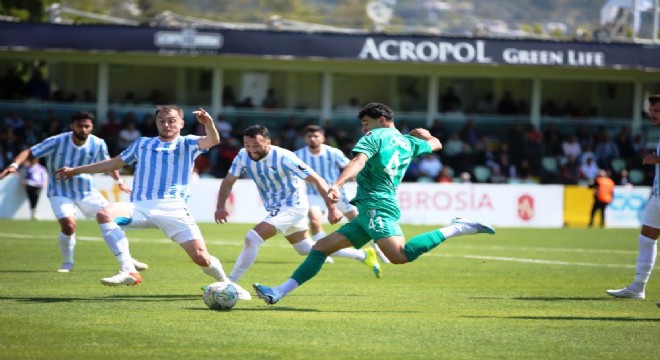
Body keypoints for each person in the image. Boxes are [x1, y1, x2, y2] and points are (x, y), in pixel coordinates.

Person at [253, 102, 495, 305]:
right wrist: (427, 135)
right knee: (320, 248)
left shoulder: (375, 136)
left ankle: (459, 227)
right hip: (373, 206)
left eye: (365, 123)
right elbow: (436, 144)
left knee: (399, 256)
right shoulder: (406, 142)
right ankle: (278, 292)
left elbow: (358, 161)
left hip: (376, 204)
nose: (363, 128)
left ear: (380, 119)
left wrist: (337, 184)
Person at [54, 106, 249, 298]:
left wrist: (209, 123)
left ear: (181, 123)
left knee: (201, 257)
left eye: (171, 120)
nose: (166, 124)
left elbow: (213, 140)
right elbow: (114, 164)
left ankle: (227, 283)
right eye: (162, 121)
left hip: (173, 208)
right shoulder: (142, 143)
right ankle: (128, 270)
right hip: (139, 207)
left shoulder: (187, 143)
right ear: (156, 123)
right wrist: (76, 170)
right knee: (104, 214)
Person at [215, 125, 382, 290]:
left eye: (256, 146)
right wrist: (220, 206)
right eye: (247, 145)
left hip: (293, 206)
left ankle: (230, 283)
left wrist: (332, 208)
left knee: (252, 238)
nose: (252, 150)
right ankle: (363, 254)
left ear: (268, 142)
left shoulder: (284, 157)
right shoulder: (243, 155)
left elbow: (318, 180)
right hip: (276, 208)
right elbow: (228, 181)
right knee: (305, 248)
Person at [0, 111, 145, 273]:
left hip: (87, 191)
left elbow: (108, 163)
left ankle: (127, 259)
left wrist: (118, 181)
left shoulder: (98, 143)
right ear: (72, 126)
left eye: (87, 126)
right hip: (60, 191)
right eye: (80, 125)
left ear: (91, 127)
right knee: (69, 225)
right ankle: (67, 262)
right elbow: (29, 152)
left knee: (112, 220)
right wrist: (13, 165)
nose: (83, 129)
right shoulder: (57, 141)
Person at [294, 124, 389, 263]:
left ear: (323, 138)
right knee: (314, 220)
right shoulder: (298, 155)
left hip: (337, 193)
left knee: (362, 222)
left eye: (316, 136)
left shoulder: (333, 152)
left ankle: (380, 250)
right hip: (314, 194)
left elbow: (350, 167)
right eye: (310, 136)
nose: (313, 139)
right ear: (305, 138)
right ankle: (323, 253)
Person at [606, 95, 659, 301]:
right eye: (651, 111)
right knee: (646, 239)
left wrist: (657, 159)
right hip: (658, 196)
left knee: (647, 239)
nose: (652, 114)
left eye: (657, 111)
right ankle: (638, 287)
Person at [21, 154, 47, 220]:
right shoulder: (28, 168)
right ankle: (33, 212)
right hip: (30, 184)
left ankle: (34, 212)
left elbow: (44, 176)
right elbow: (24, 175)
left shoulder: (41, 168)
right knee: (31, 198)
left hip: (38, 185)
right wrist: (24, 182)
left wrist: (43, 183)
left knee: (36, 198)